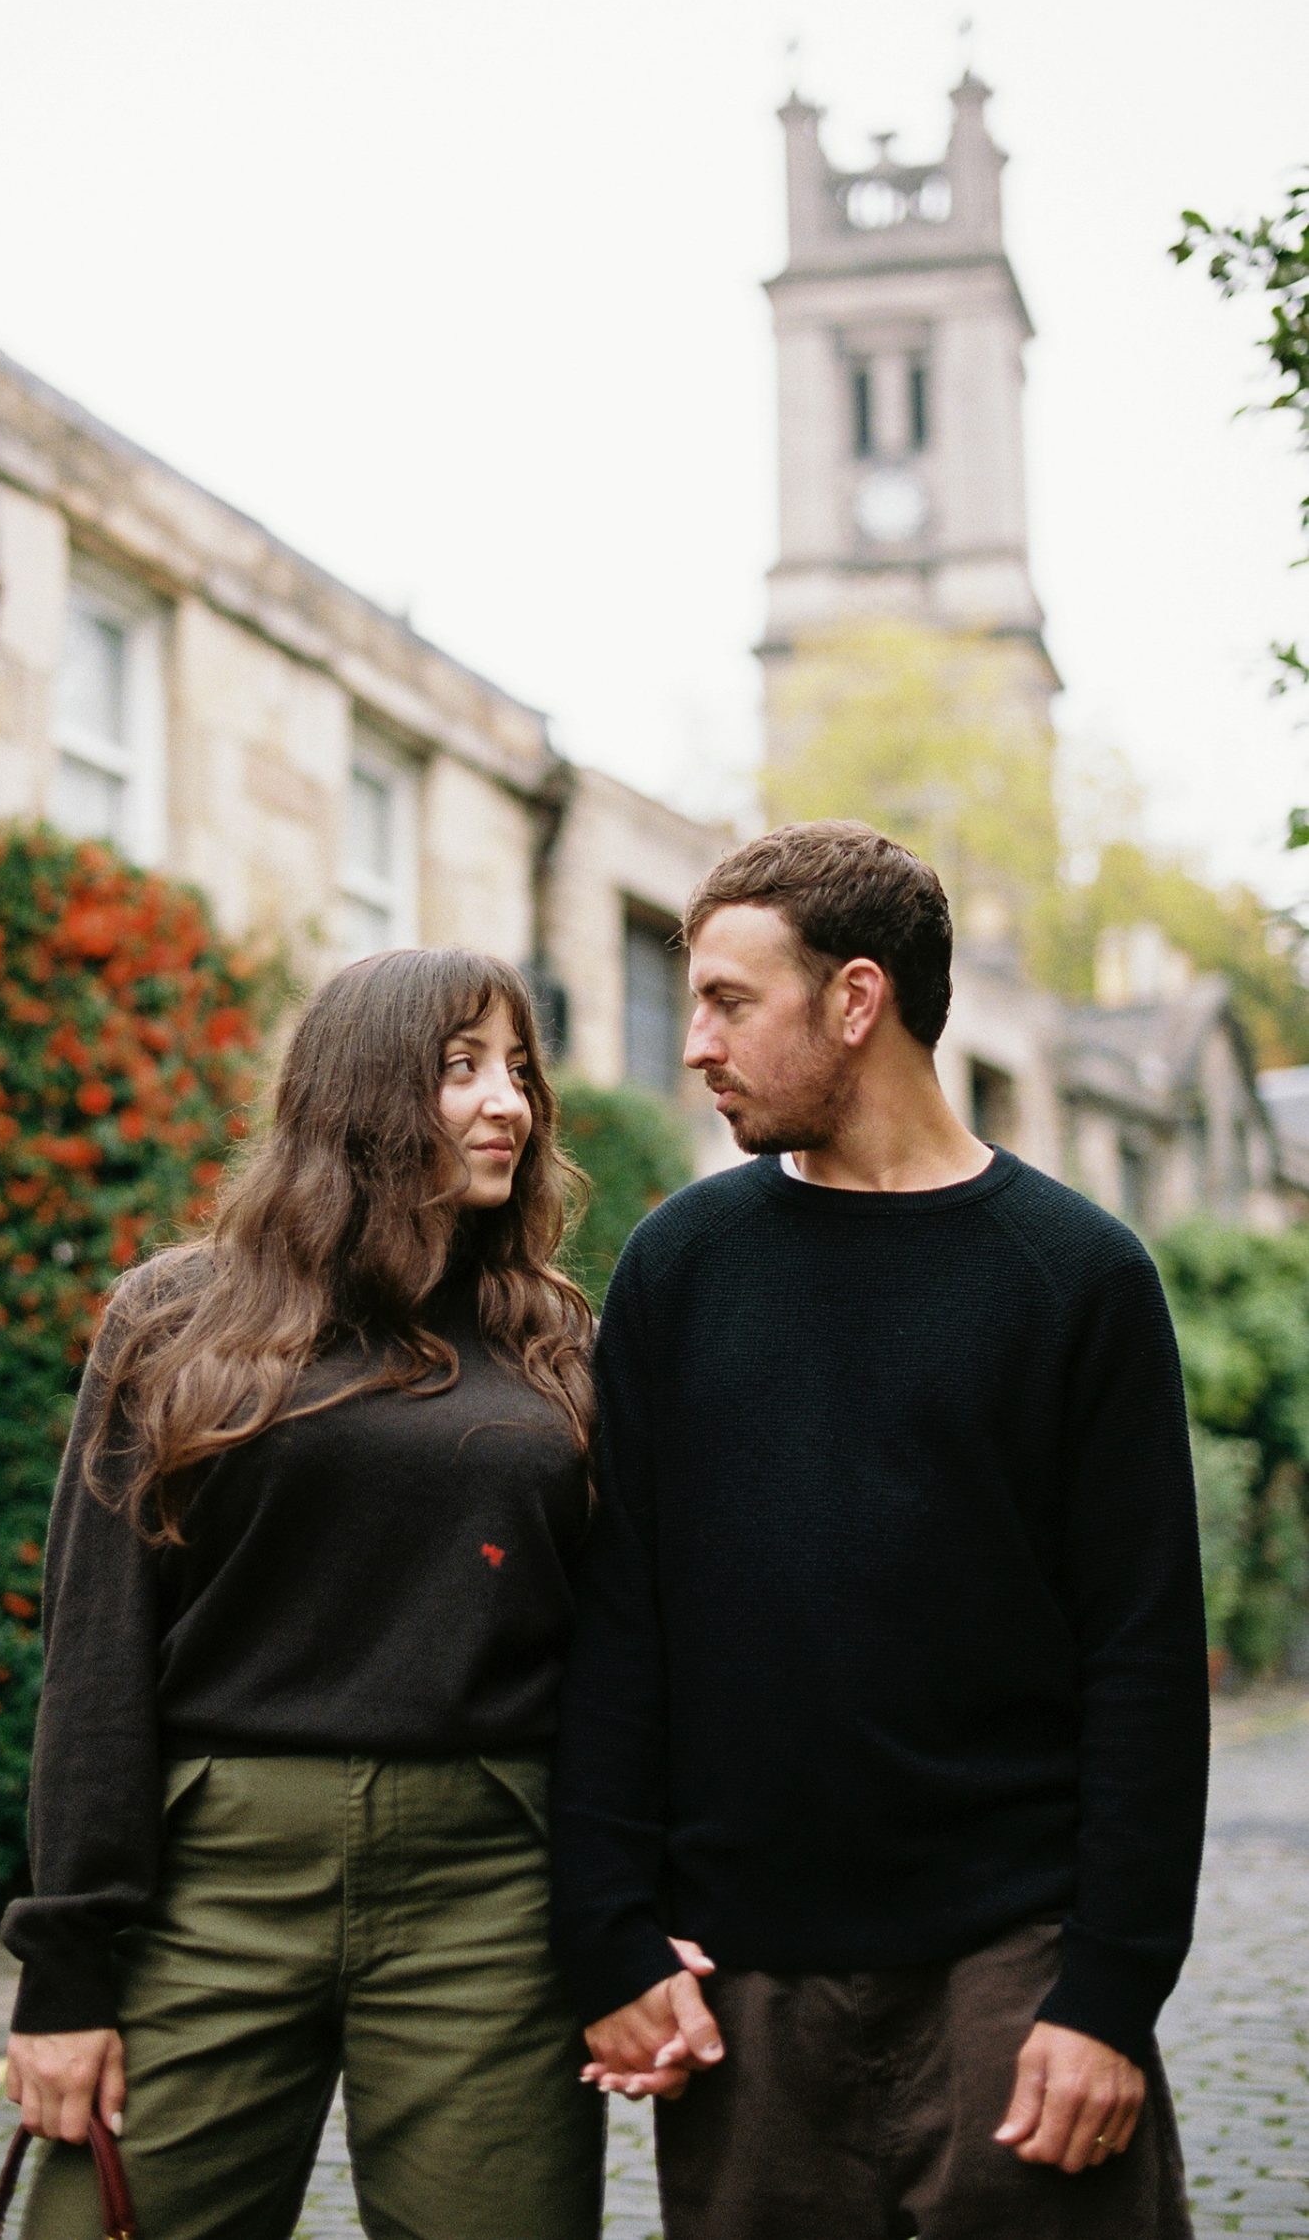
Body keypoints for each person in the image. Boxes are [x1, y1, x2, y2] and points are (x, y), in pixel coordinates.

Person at [550, 820, 1208, 2239]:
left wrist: (1109, 1992)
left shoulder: (1079, 1278)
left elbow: (1145, 1659)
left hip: (1015, 1973)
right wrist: (605, 1926)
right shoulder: (684, 1265)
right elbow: (619, 1618)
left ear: (856, 1000)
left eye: (730, 1002)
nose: (695, 1044)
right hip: (746, 1991)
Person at [1, 947, 604, 2240]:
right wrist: (65, 1975)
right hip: (211, 1873)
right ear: (363, 1091)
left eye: (519, 1070)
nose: (509, 1102)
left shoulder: (556, 1338)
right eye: (461, 1068)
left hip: (490, 1886)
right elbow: (96, 1653)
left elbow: (620, 1642)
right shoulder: (178, 1317)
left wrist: (632, 1911)